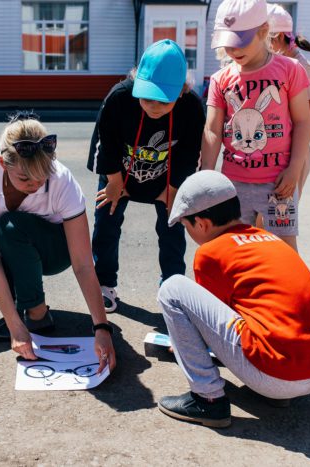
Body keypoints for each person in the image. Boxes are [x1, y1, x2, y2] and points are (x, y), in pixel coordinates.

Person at [157, 170, 310, 428]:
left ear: (201, 223)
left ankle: (208, 399)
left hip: (276, 375)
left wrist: (185, 342)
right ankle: (277, 393)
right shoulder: (272, 240)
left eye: (186, 225)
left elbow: (211, 326)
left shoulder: (210, 253)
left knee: (172, 288)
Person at [0, 113, 116, 372]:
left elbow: (82, 263)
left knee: (12, 226)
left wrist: (101, 327)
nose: (35, 184)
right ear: (3, 163)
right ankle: (22, 308)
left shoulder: (62, 180)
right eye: (25, 178)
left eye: (41, 177)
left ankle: (37, 314)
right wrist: (14, 326)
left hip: (54, 251)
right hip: (7, 246)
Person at [87, 39, 205, 312]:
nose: (154, 106)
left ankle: (172, 287)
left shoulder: (191, 107)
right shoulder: (119, 97)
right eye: (147, 98)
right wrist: (114, 182)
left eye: (163, 101)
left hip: (167, 179)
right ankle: (104, 282)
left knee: (172, 228)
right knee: (106, 224)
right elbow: (105, 142)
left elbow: (190, 152)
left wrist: (173, 189)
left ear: (181, 91)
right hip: (119, 174)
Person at [200, 0, 310, 252]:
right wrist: (206, 176)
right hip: (233, 185)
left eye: (240, 42)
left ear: (263, 31)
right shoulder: (220, 79)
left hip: (279, 184)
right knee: (235, 248)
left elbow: (304, 121)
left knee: (283, 249)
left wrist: (295, 168)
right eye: (227, 42)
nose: (232, 50)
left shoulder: (290, 70)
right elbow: (212, 130)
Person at [267, 3, 310, 196]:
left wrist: (292, 156)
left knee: (280, 211)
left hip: (291, 158)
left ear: (279, 37)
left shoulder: (302, 67)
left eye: (265, 41)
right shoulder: (277, 65)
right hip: (274, 155)